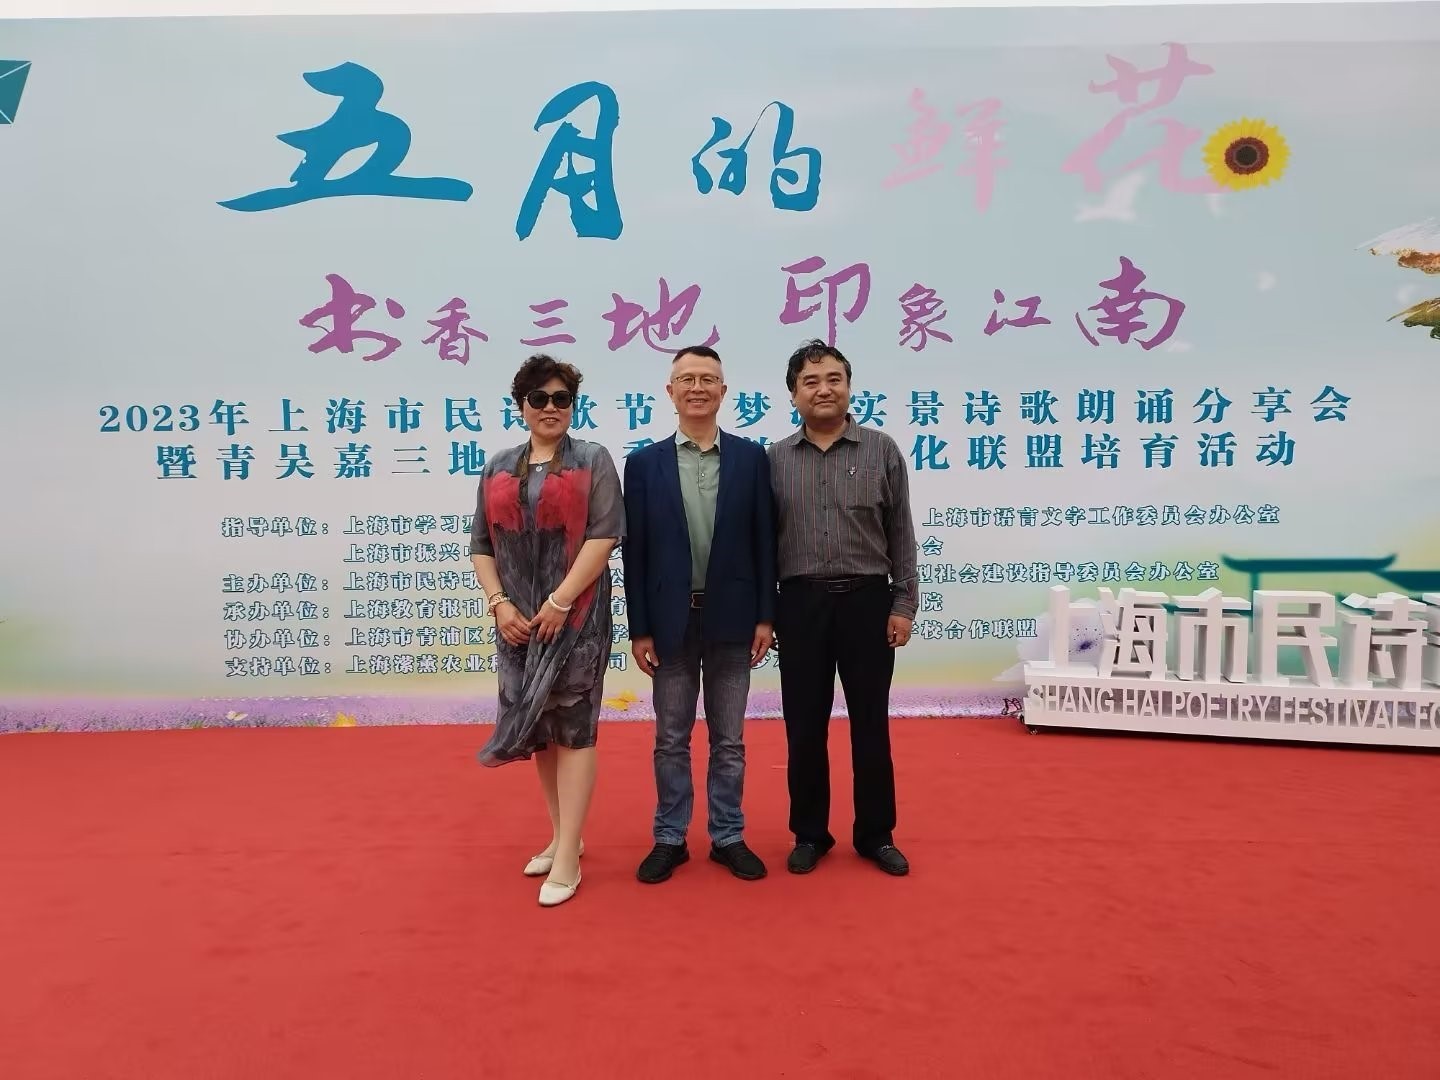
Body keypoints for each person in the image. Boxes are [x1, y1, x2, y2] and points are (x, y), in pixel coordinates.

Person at [468, 354, 625, 907]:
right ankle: (564, 838)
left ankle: (567, 862)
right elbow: (480, 544)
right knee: (539, 729)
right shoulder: (498, 466)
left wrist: (560, 601)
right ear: (522, 406)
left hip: (577, 621)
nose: (551, 407)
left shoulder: (593, 459)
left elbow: (604, 536)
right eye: (539, 398)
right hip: (517, 624)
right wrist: (499, 604)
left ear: (573, 405)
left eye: (562, 398)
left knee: (574, 728)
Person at [622, 345, 776, 884]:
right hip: (670, 622)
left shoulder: (751, 459)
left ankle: (728, 835)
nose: (697, 387)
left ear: (723, 391)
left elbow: (765, 542)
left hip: (734, 619)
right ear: (670, 392)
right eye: (686, 379)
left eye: (708, 379)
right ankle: (670, 836)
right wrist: (640, 627)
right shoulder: (644, 464)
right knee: (671, 737)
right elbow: (636, 553)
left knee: (729, 739)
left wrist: (766, 616)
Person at [767, 339, 917, 877]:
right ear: (793, 395)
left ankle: (876, 834)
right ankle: (810, 833)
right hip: (800, 604)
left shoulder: (881, 450)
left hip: (868, 603)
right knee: (804, 727)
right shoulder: (775, 460)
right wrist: (767, 613)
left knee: (870, 724)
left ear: (849, 387)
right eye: (810, 382)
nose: (823, 389)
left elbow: (901, 534)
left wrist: (904, 603)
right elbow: (762, 542)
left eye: (833, 379)